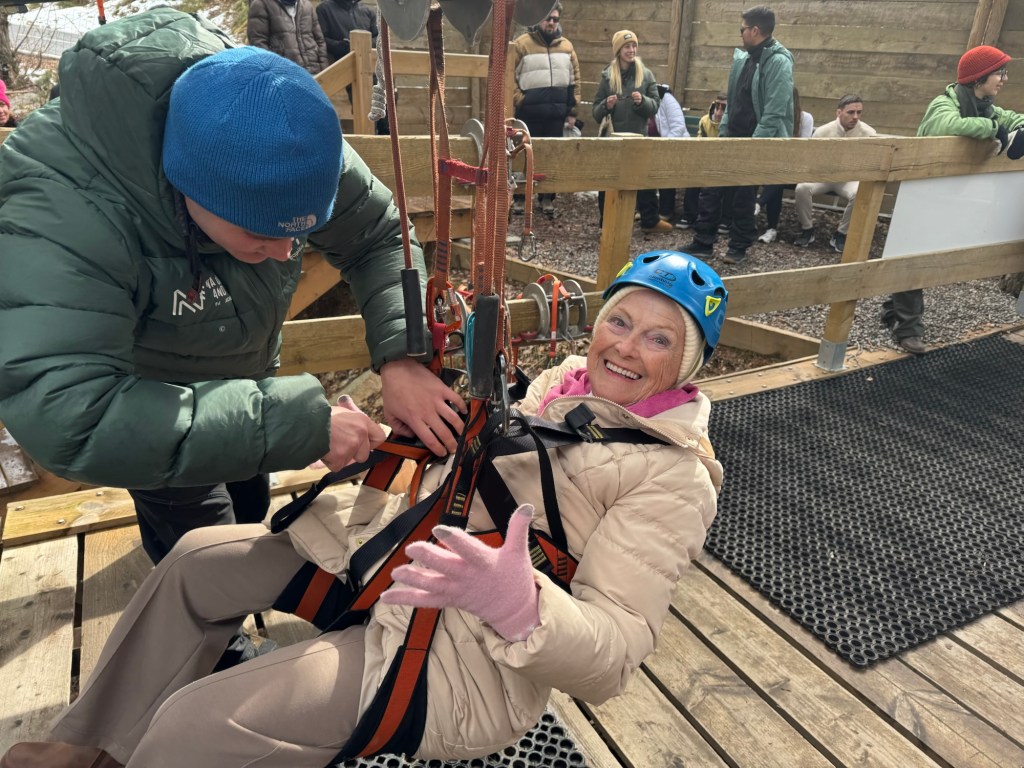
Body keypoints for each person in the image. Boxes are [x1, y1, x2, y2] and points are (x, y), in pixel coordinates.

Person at [0, 250, 727, 768]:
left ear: (688, 366)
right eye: (620, 321)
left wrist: (520, 604)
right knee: (194, 563)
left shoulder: (673, 478)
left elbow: (615, 658)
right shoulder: (561, 390)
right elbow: (477, 477)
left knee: (197, 724)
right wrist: (385, 442)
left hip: (462, 653)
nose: (626, 348)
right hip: (397, 564)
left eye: (659, 339)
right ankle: (86, 748)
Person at [0, 11, 466, 576]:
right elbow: (72, 414)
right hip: (146, 403)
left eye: (301, 232)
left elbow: (376, 235)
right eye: (259, 233)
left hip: (243, 375)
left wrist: (400, 356)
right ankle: (198, 622)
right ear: (190, 185)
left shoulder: (283, 129)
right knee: (208, 553)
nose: (287, 253)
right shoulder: (62, 209)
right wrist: (301, 424)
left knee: (248, 509)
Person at [883, 45, 1024, 355]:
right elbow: (951, 126)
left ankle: (894, 312)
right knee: (912, 255)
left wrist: (1015, 129)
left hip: (948, 195)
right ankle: (908, 329)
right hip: (921, 194)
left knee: (922, 255)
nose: (1004, 79)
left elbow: (1012, 118)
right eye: (999, 73)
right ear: (979, 77)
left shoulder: (986, 106)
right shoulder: (944, 104)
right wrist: (995, 129)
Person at [686, 5, 794, 265]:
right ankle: (703, 242)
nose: (740, 33)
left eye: (742, 29)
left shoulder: (779, 63)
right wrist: (724, 134)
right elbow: (732, 103)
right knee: (711, 190)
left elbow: (774, 112)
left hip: (754, 142)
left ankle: (739, 247)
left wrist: (753, 147)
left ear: (755, 31)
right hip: (731, 138)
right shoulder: (744, 59)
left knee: (743, 196)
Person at [592, 30, 669, 232]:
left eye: (634, 46)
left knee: (643, 180)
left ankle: (650, 221)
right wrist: (606, 106)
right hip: (613, 142)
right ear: (618, 50)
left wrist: (642, 102)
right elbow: (595, 112)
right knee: (608, 183)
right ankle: (606, 224)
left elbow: (655, 106)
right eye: (627, 46)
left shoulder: (646, 74)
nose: (631, 50)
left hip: (638, 138)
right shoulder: (608, 76)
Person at [511, 2, 581, 217]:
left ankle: (547, 198)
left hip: (556, 116)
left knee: (551, 158)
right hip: (528, 115)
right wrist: (520, 100)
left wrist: (572, 111)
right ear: (538, 18)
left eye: (555, 19)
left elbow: (575, 81)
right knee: (522, 156)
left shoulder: (567, 47)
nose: (551, 22)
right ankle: (520, 198)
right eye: (548, 18)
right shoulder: (521, 45)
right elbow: (509, 76)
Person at [792, 93, 876, 252]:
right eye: (850, 112)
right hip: (823, 177)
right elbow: (810, 158)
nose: (855, 117)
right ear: (839, 112)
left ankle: (841, 233)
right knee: (802, 188)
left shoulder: (869, 133)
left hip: (849, 179)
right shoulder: (823, 131)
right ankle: (807, 229)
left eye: (859, 112)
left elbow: (871, 163)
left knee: (859, 193)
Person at [757, 86, 813, 244]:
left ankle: (759, 204)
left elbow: (802, 150)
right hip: (772, 166)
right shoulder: (771, 116)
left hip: (795, 167)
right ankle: (771, 229)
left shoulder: (805, 118)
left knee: (778, 176)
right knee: (775, 179)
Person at [677, 92, 729, 231]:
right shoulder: (704, 121)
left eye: (723, 108)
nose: (719, 112)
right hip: (707, 160)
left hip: (725, 163)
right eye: (717, 106)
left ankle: (726, 219)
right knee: (694, 175)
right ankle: (689, 215)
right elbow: (700, 145)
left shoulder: (732, 123)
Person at [247, 0, 328, 75]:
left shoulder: (307, 5)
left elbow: (320, 40)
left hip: (315, 71)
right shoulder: (261, 4)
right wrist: (276, 73)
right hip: (286, 74)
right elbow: (258, 42)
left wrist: (324, 69)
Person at [649, 83, 689, 223]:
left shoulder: (666, 98)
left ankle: (666, 211)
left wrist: (665, 148)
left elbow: (678, 126)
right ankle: (647, 209)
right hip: (652, 149)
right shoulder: (641, 102)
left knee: (664, 165)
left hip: (675, 147)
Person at [316, 0, 378, 64]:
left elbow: (378, 37)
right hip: (337, 64)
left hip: (366, 63)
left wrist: (363, 44)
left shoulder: (368, 11)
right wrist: (339, 45)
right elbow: (320, 39)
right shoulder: (324, 9)